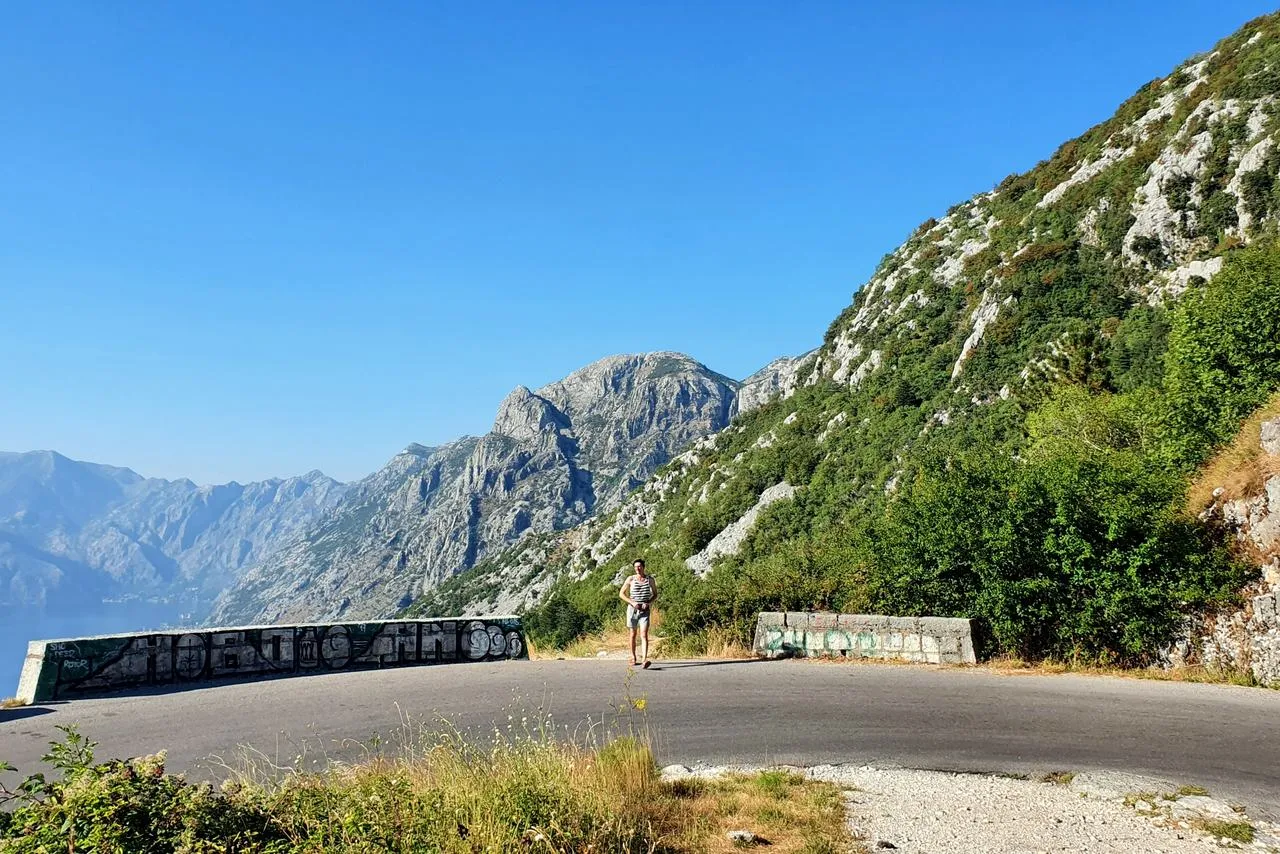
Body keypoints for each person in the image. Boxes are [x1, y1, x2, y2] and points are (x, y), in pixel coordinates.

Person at [619, 558, 658, 668]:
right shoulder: (630, 579)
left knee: (644, 634)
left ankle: (645, 659)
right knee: (632, 634)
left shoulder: (650, 579)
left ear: (643, 567)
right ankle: (633, 656)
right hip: (633, 610)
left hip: (644, 610)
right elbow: (621, 594)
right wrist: (632, 602)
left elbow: (655, 594)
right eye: (636, 567)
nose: (638, 568)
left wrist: (649, 602)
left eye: (639, 566)